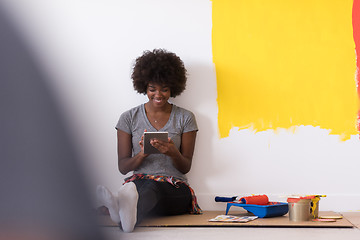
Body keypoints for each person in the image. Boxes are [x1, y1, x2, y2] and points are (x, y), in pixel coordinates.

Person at [97, 49, 201, 233]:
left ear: (173, 88)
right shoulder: (128, 118)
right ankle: (125, 217)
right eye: (152, 89)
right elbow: (123, 167)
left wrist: (171, 151)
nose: (158, 95)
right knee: (139, 189)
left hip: (174, 189)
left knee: (151, 188)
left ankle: (118, 210)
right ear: (144, 87)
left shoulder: (185, 118)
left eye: (165, 89)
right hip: (139, 184)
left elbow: (185, 166)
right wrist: (142, 154)